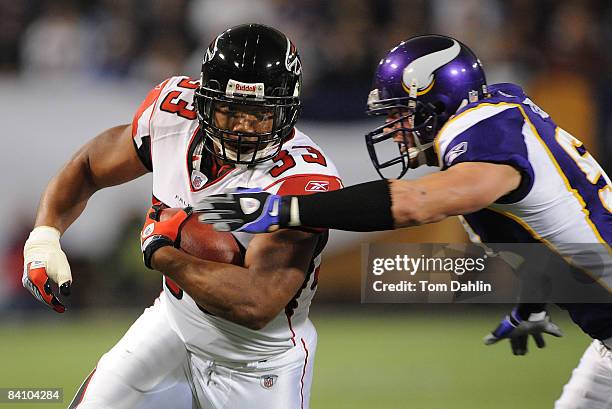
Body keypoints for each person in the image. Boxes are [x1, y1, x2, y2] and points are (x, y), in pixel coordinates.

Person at [199, 35, 612, 408]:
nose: (394, 131)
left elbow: (416, 203)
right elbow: (551, 226)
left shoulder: (480, 133)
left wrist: (283, 210)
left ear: (437, 105)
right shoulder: (497, 115)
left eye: (401, 115)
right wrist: (534, 303)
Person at [21, 24, 342, 409]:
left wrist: (164, 252)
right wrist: (44, 236)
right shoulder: (172, 113)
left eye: (259, 114)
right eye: (229, 110)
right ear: (204, 100)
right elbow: (90, 166)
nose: (242, 127)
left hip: (257, 362)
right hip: (173, 324)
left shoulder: (304, 179)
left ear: (285, 110)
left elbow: (256, 303)